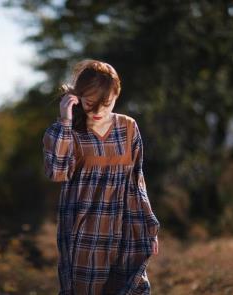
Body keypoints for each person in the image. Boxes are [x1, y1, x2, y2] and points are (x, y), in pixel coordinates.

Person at [42, 59, 160, 295]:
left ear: (116, 95)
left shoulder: (128, 127)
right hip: (85, 235)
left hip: (125, 230)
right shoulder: (68, 131)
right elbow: (56, 172)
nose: (97, 111)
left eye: (105, 103)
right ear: (78, 97)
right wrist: (65, 120)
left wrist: (148, 227)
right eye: (89, 102)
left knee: (133, 290)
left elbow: (137, 183)